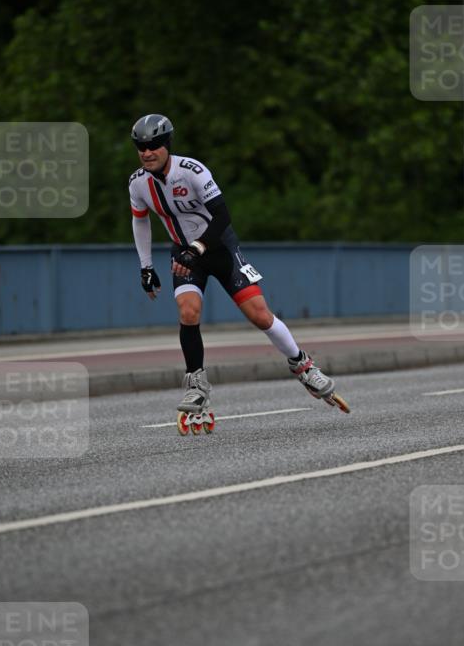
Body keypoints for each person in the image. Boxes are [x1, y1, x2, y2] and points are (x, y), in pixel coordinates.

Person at [129, 113, 339, 418]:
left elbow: (222, 216)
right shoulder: (137, 183)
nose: (147, 152)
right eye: (141, 147)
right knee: (188, 311)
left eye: (154, 145)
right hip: (184, 253)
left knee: (260, 315)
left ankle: (303, 364)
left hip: (218, 248)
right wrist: (146, 267)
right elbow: (141, 223)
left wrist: (197, 248)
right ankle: (197, 384)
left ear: (167, 145)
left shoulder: (192, 171)